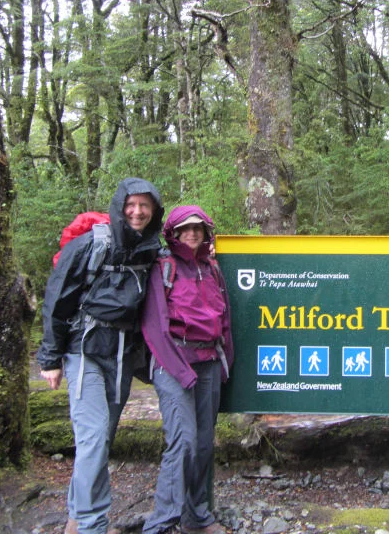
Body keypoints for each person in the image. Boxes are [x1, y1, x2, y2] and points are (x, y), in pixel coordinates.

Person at [37, 178, 165, 534]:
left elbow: (179, 273)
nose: (137, 212)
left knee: (102, 436)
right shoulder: (93, 243)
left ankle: (77, 517)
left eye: (145, 205)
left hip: (123, 354)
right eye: (132, 204)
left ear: (154, 210)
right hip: (85, 351)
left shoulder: (152, 249)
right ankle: (94, 525)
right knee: (93, 436)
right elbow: (57, 298)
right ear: (120, 206)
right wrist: (50, 358)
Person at [140, 205, 234, 534]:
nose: (192, 233)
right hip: (173, 363)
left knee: (205, 444)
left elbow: (224, 321)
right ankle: (161, 524)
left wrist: (226, 362)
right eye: (186, 228)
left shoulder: (212, 269)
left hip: (208, 362)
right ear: (174, 232)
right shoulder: (163, 267)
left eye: (198, 228)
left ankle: (197, 517)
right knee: (184, 442)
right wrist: (181, 371)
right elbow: (154, 326)